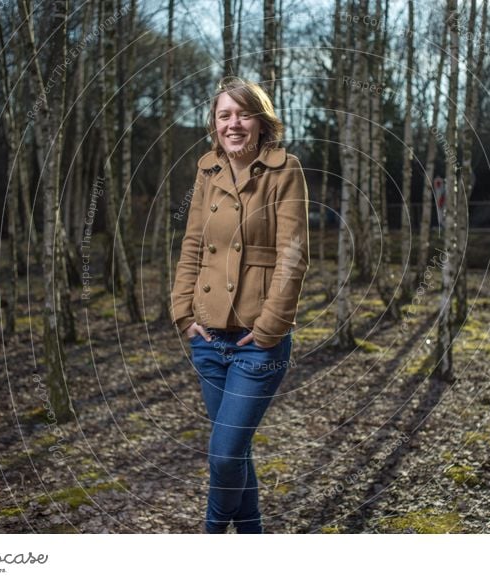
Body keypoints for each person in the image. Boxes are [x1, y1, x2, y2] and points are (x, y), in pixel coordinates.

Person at [169, 77, 310, 534]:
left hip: (258, 343)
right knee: (236, 452)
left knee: (224, 453)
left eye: (242, 114)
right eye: (224, 115)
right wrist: (183, 312)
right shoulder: (206, 169)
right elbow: (193, 243)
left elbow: (293, 256)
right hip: (208, 339)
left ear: (261, 121)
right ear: (215, 124)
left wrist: (270, 328)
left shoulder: (285, 171)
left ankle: (213, 536)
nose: (233, 124)